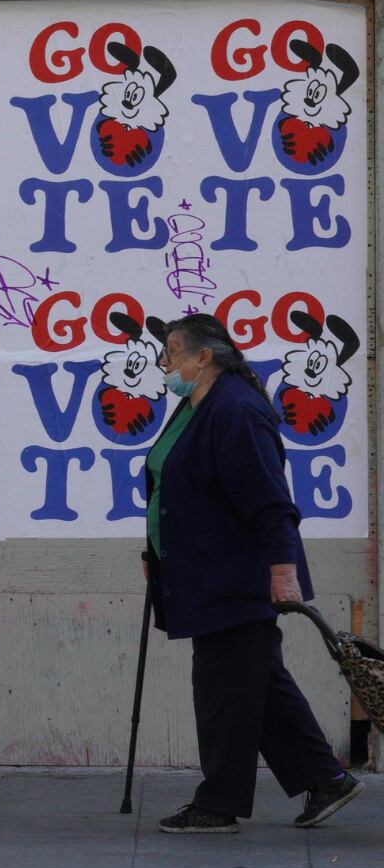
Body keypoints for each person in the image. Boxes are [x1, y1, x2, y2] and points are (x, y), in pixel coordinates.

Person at [146, 312, 359, 834]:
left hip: (237, 577)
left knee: (223, 691)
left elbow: (270, 502)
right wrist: (154, 548)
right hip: (205, 571)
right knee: (255, 683)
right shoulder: (196, 405)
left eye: (172, 351)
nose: (164, 362)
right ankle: (325, 779)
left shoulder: (235, 411)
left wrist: (281, 572)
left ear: (205, 357)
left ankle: (218, 804)